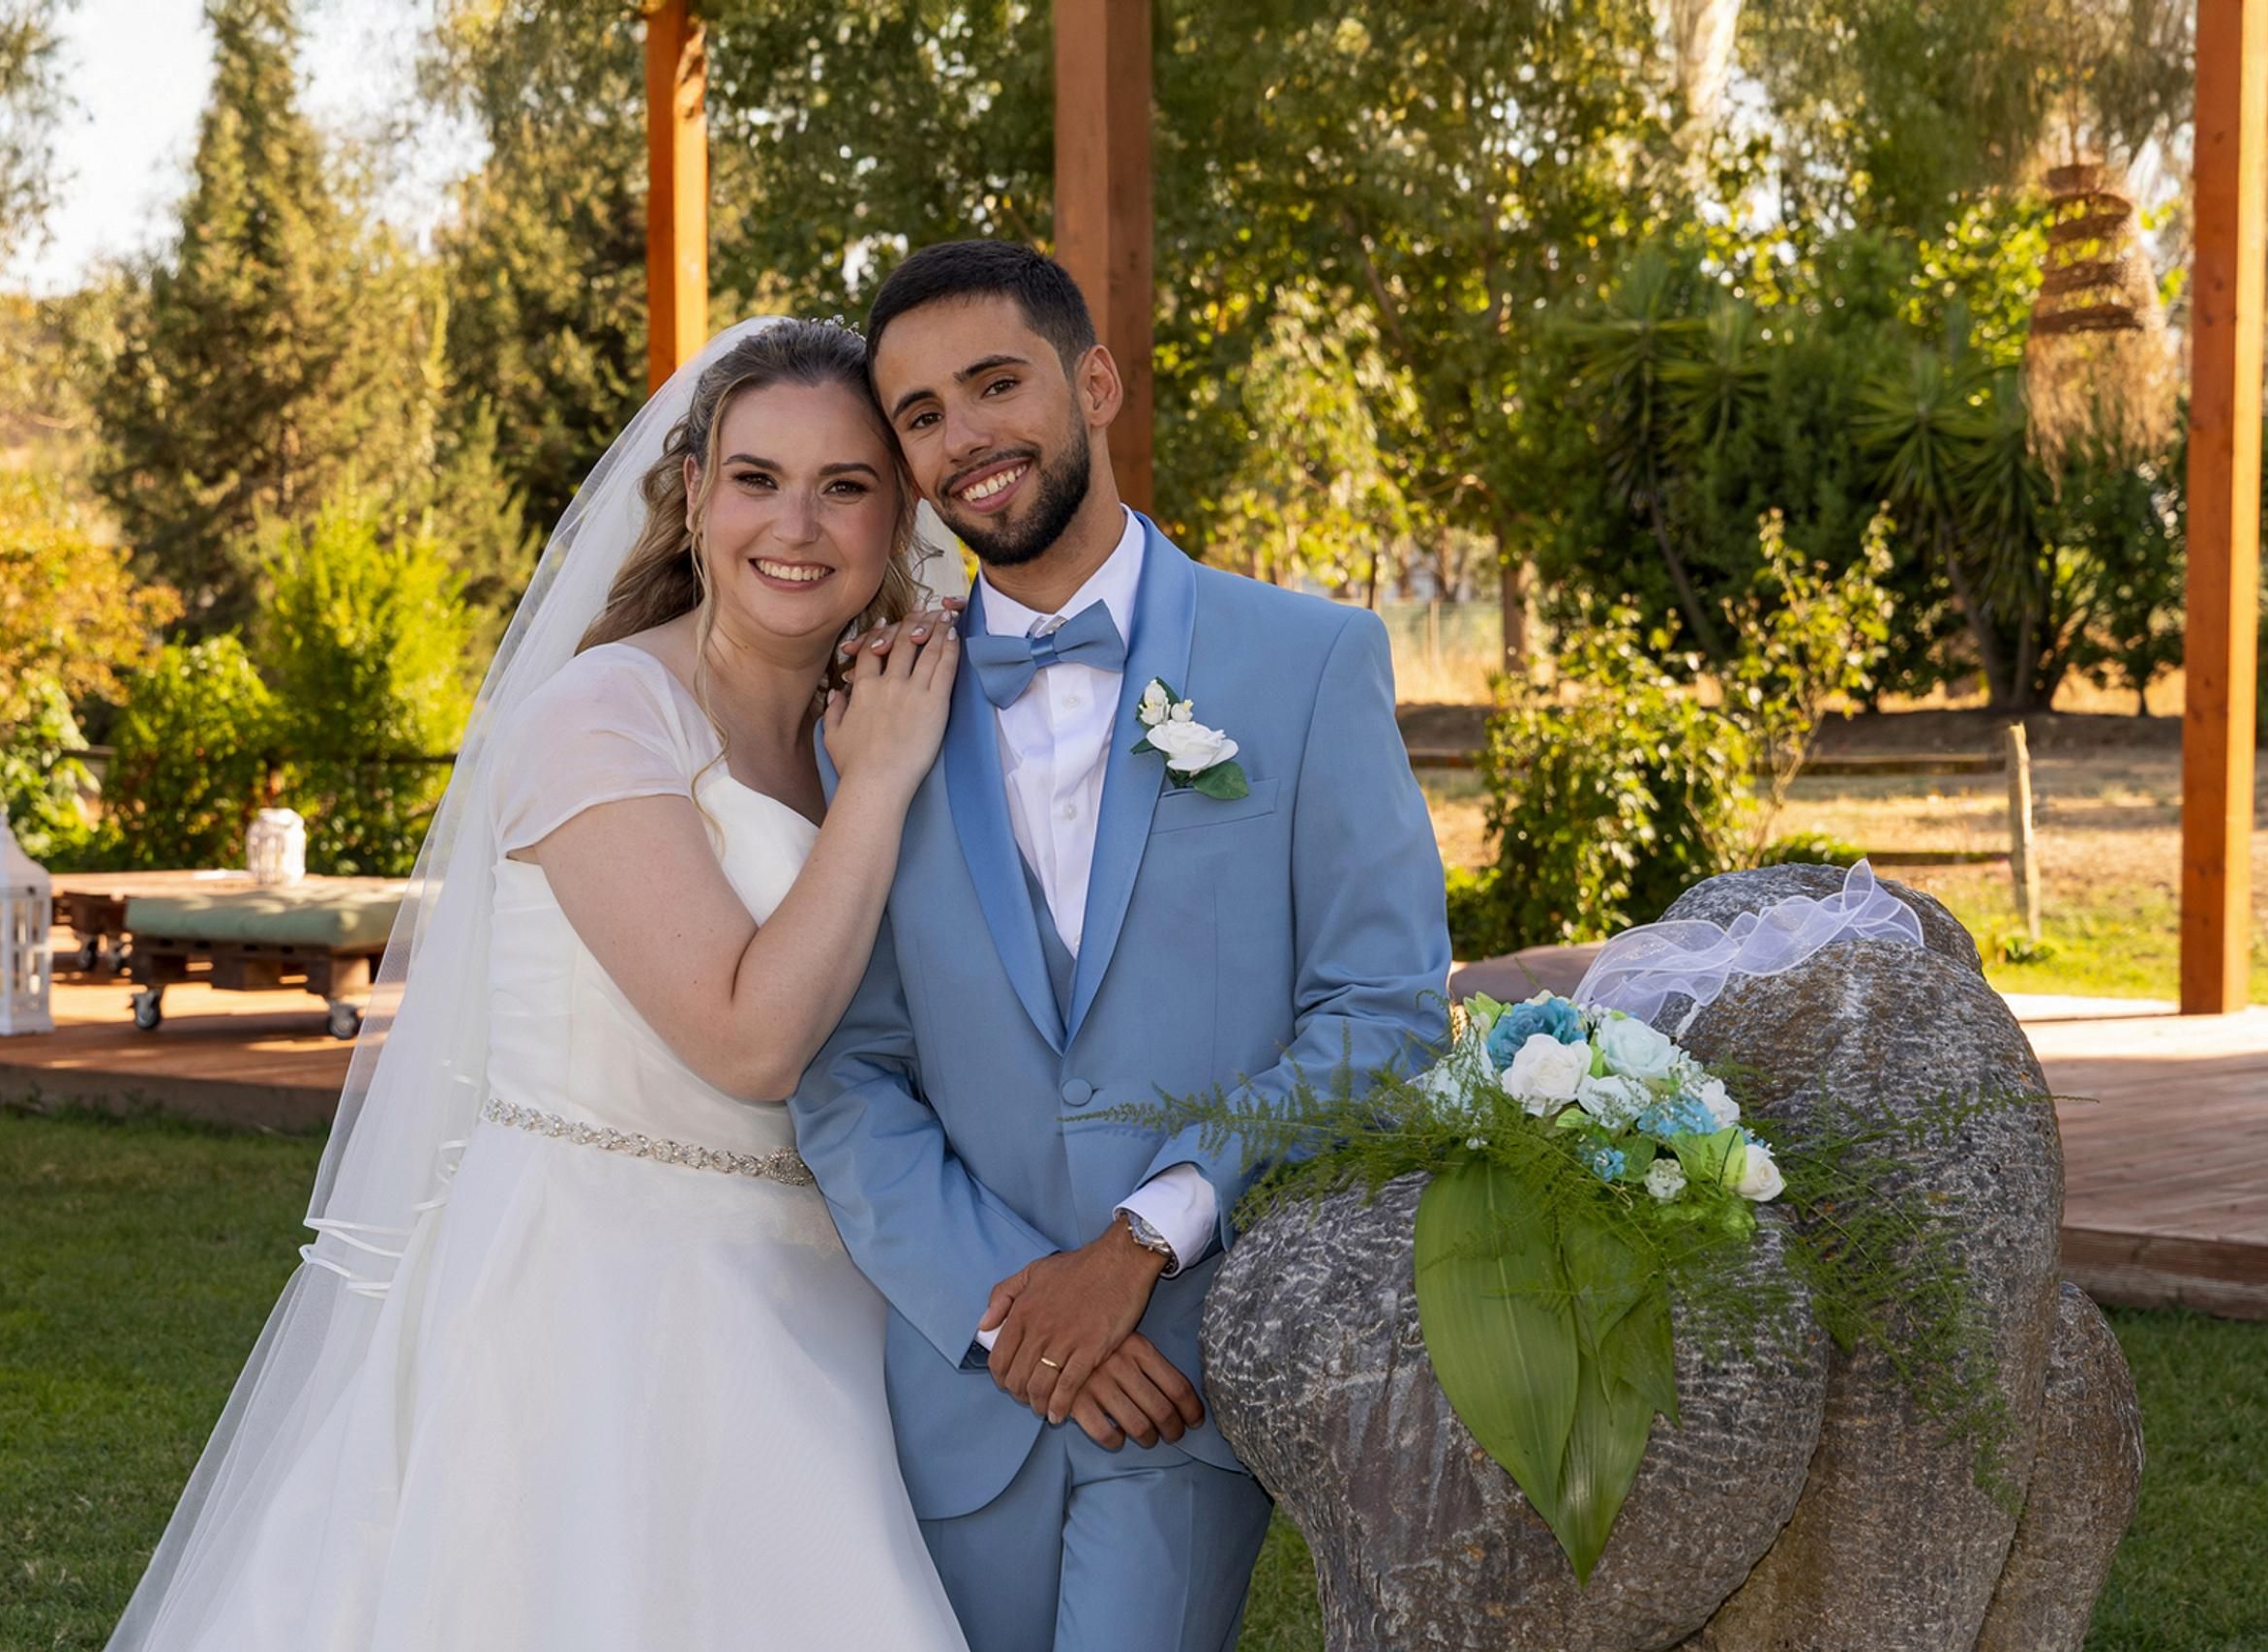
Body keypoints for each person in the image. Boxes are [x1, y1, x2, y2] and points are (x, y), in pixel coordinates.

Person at [106, 317, 973, 1650]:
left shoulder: (873, 712)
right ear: (694, 495)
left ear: (896, 514)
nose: (795, 523)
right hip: (595, 1292)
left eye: (845, 485)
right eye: (756, 479)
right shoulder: (602, 715)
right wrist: (885, 787)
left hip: (831, 1292)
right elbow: (745, 1042)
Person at [791, 241, 1452, 1652]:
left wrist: (1143, 1244)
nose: (962, 438)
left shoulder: (1309, 661)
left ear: (1095, 383)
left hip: (1184, 1375)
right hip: (956, 1395)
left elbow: (1380, 1012)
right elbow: (847, 1070)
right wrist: (1009, 1317)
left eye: (994, 384)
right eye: (918, 416)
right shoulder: (884, 712)